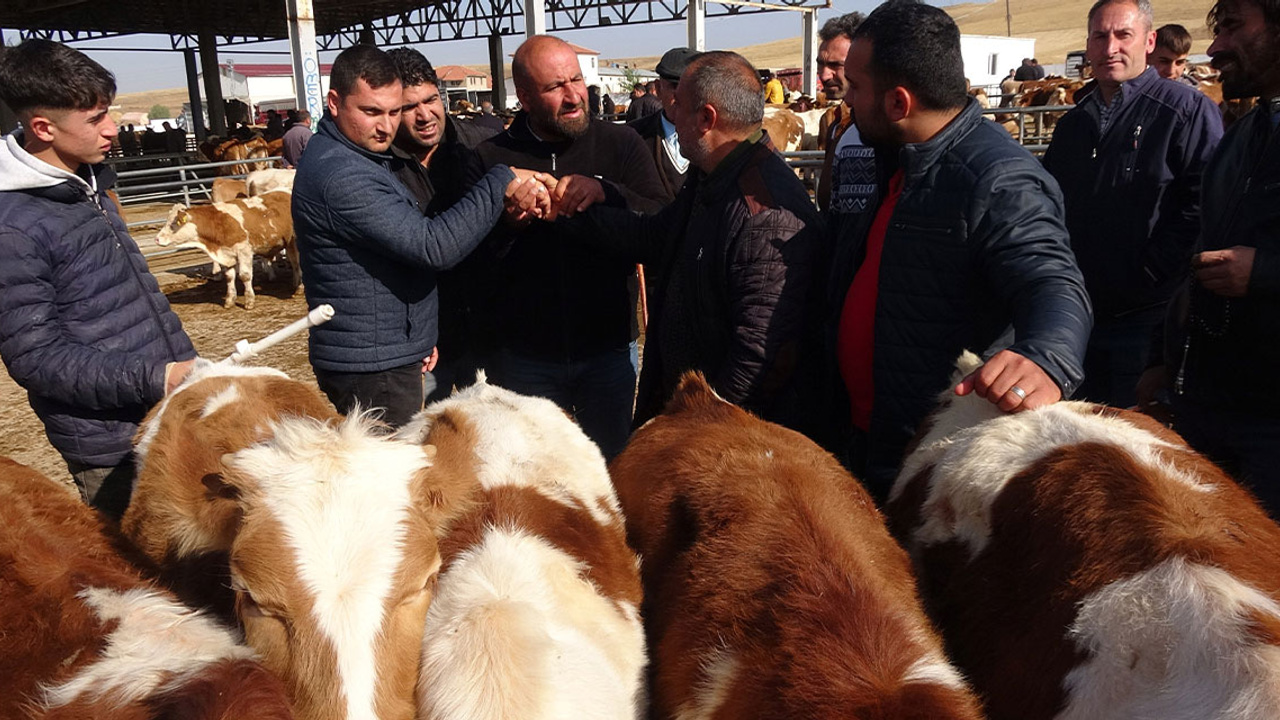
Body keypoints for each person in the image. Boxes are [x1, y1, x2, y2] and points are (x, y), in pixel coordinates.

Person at [825, 0, 1092, 500]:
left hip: (929, 464)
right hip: (868, 441)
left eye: (856, 88)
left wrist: (1046, 356)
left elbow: (1052, 283)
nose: (847, 101)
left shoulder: (997, 179)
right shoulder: (898, 159)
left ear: (898, 102)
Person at [568, 51, 825, 433]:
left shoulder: (764, 211)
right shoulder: (713, 178)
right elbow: (655, 237)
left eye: (678, 107)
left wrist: (695, 430)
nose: (670, 115)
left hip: (734, 445)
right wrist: (583, 205)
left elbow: (758, 357)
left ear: (706, 118)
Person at [292, 43, 544, 428]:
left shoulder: (358, 155)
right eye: (372, 111)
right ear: (334, 102)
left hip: (392, 352)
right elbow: (433, 247)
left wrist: (418, 336)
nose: (386, 126)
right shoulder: (342, 173)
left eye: (394, 112)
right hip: (375, 367)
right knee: (400, 477)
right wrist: (501, 179)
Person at [0, 40, 197, 520]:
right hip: (110, 444)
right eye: (95, 119)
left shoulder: (86, 184)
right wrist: (158, 376)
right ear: (43, 127)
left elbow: (128, 297)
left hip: (162, 414)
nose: (112, 129)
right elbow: (37, 357)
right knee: (142, 579)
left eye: (107, 112)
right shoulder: (13, 225)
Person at [475, 35, 666, 459]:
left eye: (576, 80)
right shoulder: (490, 159)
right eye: (554, 87)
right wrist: (507, 220)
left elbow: (658, 226)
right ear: (524, 97)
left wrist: (606, 193)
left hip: (607, 350)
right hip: (524, 357)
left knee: (611, 466)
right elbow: (469, 255)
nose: (572, 95)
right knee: (535, 474)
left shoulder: (621, 145)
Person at [1138, 0, 1280, 513]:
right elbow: (1200, 251)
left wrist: (1263, 271)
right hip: (1211, 409)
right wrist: (1160, 357)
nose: (1215, 49)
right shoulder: (1244, 134)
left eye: (1235, 28)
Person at [1043, 0, 1221, 408]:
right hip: (1079, 316)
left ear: (1148, 41)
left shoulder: (1186, 111)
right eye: (1100, 36)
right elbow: (1050, 204)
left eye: (1123, 35)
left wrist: (1152, 271)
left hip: (1148, 319)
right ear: (1087, 46)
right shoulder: (1073, 124)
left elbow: (1202, 204)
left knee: (1134, 434)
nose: (1110, 48)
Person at [386, 47, 500, 403]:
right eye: (408, 107)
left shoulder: (482, 147)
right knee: (423, 439)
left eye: (431, 99)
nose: (424, 115)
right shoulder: (379, 168)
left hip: (490, 330)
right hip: (423, 344)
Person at [815, 11, 874, 230]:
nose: (824, 75)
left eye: (835, 65)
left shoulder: (880, 131)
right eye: (821, 64)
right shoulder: (837, 123)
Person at [627, 46, 698, 202]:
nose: (682, 96)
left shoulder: (720, 138)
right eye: (675, 86)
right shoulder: (633, 137)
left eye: (691, 88)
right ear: (658, 89)